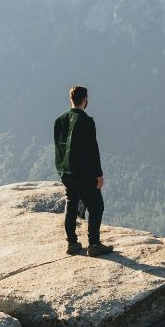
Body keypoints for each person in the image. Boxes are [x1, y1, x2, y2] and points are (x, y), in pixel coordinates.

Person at [53, 85, 113, 256]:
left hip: (65, 172)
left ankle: (72, 243)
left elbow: (58, 147)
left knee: (72, 205)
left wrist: (61, 170)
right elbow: (92, 150)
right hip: (82, 173)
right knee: (96, 206)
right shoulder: (86, 121)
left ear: (71, 99)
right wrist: (98, 174)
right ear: (85, 99)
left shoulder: (59, 120)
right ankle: (94, 245)